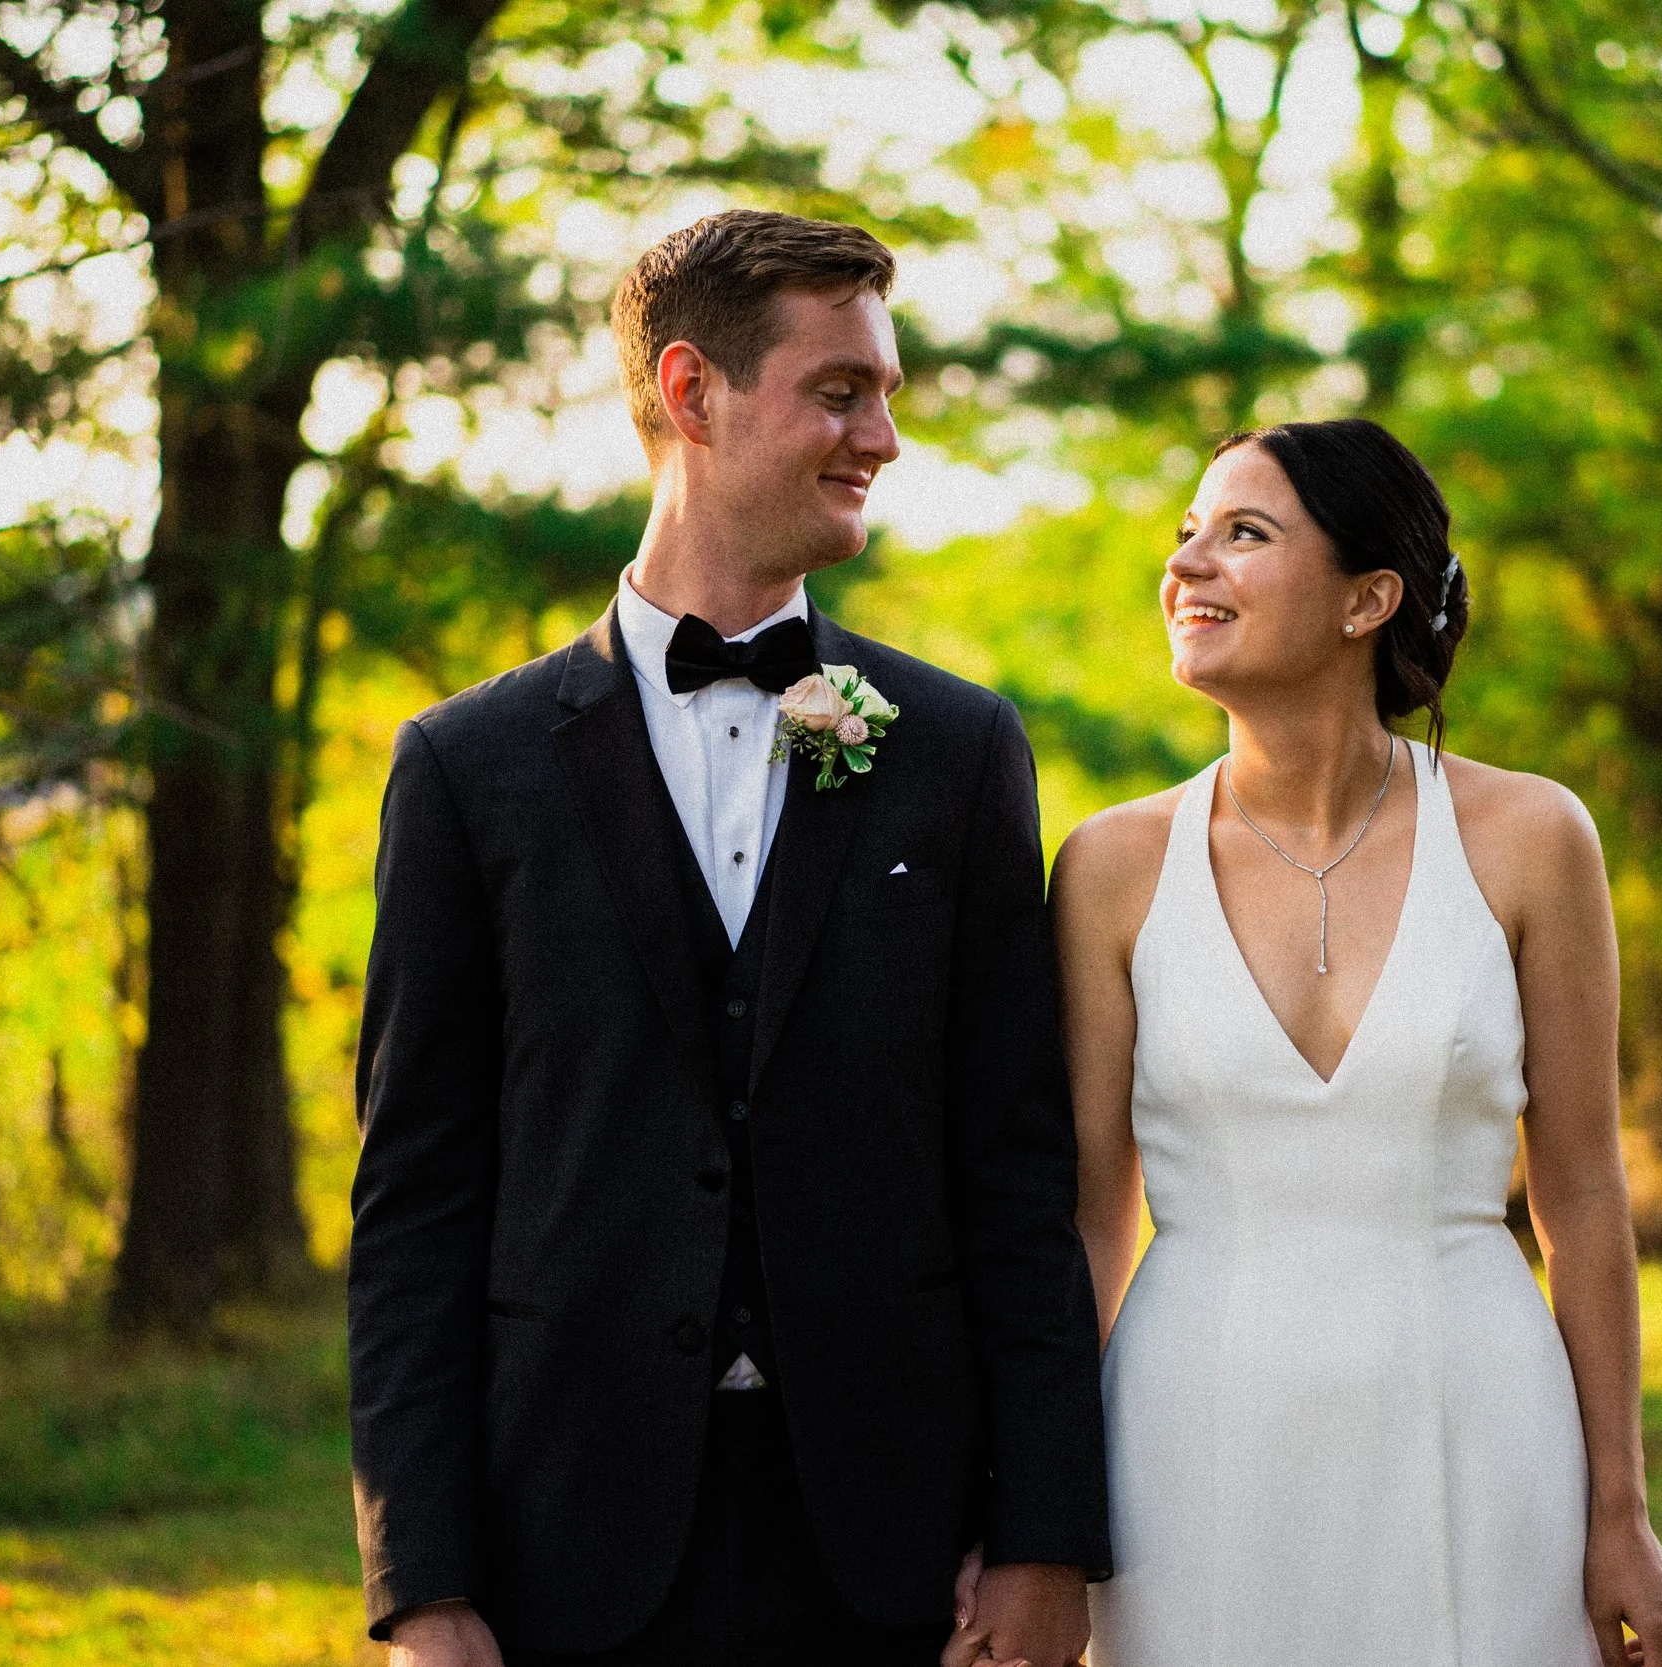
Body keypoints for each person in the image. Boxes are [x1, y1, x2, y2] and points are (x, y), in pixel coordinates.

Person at [349, 209, 1108, 1667]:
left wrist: (1043, 1536)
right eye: (841, 390)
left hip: (898, 1556)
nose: (881, 436)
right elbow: (416, 1208)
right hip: (564, 1542)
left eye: (886, 391)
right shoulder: (466, 766)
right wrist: (423, 1585)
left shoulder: (958, 749)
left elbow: (1017, 1172)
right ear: (692, 392)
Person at [1051, 419, 1662, 1667]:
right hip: (1187, 1439)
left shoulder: (1530, 838)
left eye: (1243, 533)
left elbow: (1582, 1193)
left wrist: (1620, 1510)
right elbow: (1085, 1219)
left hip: (1480, 1423)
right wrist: (1042, 1523)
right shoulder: (1110, 867)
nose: (1187, 564)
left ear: (1368, 599)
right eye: (1186, 533)